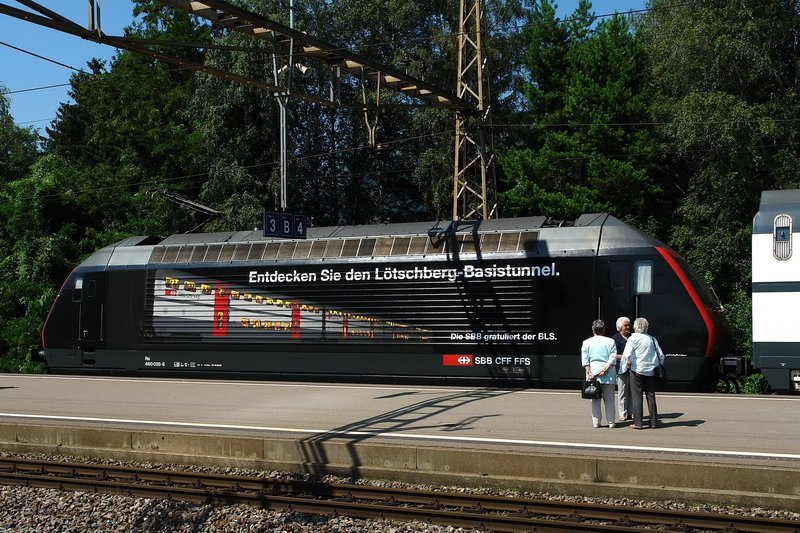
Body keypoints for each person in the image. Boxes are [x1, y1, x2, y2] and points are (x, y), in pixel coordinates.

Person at [620, 317, 666, 429]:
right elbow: (661, 356)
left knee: (637, 397)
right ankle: (654, 422)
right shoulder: (652, 339)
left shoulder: (633, 338)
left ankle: (638, 423)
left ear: (635, 327)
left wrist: (629, 364)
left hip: (637, 371)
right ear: (646, 327)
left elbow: (627, 355)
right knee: (651, 396)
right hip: (651, 371)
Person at [581, 319, 617, 428]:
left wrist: (589, 372)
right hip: (609, 373)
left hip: (593, 373)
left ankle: (596, 423)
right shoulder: (610, 341)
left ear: (593, 330)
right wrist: (605, 368)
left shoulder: (586, 342)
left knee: (595, 398)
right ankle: (611, 422)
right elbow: (613, 357)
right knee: (609, 398)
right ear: (604, 330)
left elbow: (585, 360)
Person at [613, 317, 632, 422]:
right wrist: (625, 357)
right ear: (619, 327)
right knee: (622, 392)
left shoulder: (632, 337)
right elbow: (613, 354)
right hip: (621, 368)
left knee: (632, 392)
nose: (628, 327)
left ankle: (631, 413)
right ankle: (622, 414)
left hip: (632, 368)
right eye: (625, 325)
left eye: (628, 325)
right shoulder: (615, 339)